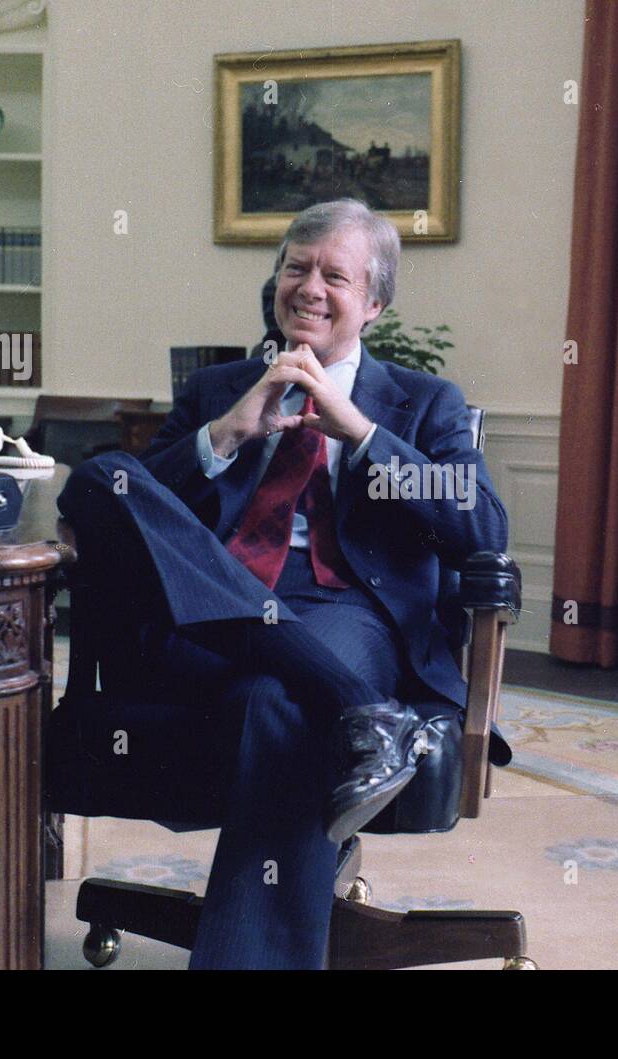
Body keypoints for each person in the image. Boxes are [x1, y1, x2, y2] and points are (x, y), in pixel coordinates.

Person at [57, 197, 511, 970]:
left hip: (343, 616)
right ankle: (361, 710)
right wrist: (229, 432)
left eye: (335, 274)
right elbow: (118, 508)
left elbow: (485, 532)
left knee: (278, 703)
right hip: (199, 620)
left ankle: (338, 695)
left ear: (373, 304)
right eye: (296, 267)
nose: (309, 286)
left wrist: (361, 434)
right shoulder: (215, 391)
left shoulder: (422, 403)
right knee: (103, 474)